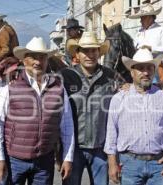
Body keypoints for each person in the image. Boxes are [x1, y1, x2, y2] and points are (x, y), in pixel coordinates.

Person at [0, 36, 75, 185]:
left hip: (44, 162)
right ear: (24, 60)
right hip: (14, 161)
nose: (38, 61)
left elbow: (67, 126)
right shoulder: (9, 87)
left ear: (47, 61)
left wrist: (67, 158)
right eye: (33, 57)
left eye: (42, 57)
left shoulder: (58, 88)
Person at [104, 48, 163, 185]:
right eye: (140, 68)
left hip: (158, 164)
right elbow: (111, 133)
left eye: (149, 68)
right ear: (132, 72)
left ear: (154, 71)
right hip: (129, 164)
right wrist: (112, 164)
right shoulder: (119, 98)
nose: (145, 72)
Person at [61, 31, 120, 185]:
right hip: (73, 149)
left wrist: (161, 88)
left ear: (99, 53)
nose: (90, 55)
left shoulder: (111, 76)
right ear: (77, 54)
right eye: (85, 51)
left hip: (100, 149)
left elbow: (134, 89)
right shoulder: (65, 76)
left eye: (93, 50)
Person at [127, 3, 163, 84]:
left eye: (143, 17)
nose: (140, 20)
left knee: (156, 88)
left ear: (150, 17)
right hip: (139, 66)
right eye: (141, 18)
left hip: (155, 66)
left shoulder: (161, 29)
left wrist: (151, 48)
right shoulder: (139, 32)